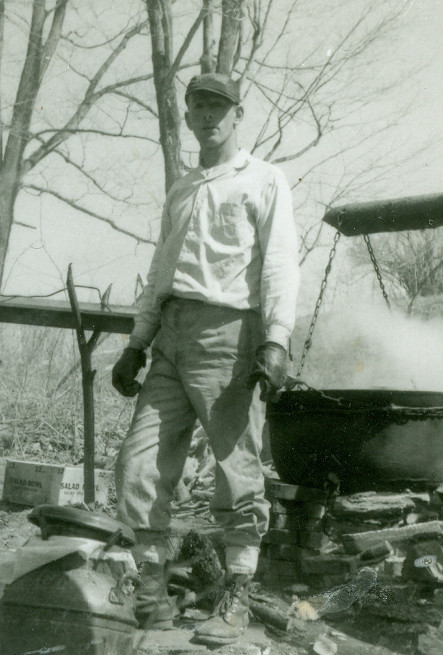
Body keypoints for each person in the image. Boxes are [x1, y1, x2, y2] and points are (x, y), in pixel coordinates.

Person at [111, 72, 300, 646]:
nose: (208, 115)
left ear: (237, 114)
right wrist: (137, 341)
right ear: (187, 115)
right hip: (170, 336)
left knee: (236, 472)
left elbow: (280, 265)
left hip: (229, 336)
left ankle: (236, 599)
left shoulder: (264, 180)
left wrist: (276, 339)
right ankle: (150, 595)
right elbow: (161, 272)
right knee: (138, 464)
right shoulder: (182, 188)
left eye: (219, 106)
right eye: (198, 105)